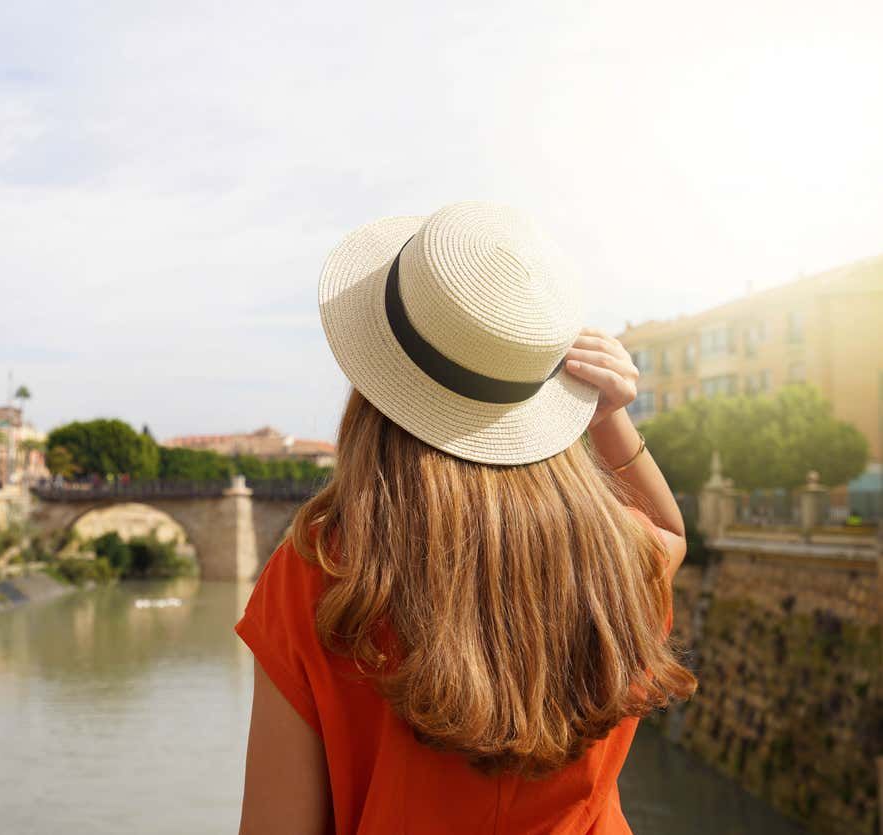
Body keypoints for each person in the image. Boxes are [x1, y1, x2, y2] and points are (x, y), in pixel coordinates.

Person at [236, 203, 697, 834]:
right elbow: (669, 533)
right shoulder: (614, 560)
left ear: (376, 383)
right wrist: (610, 418)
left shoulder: (323, 570)